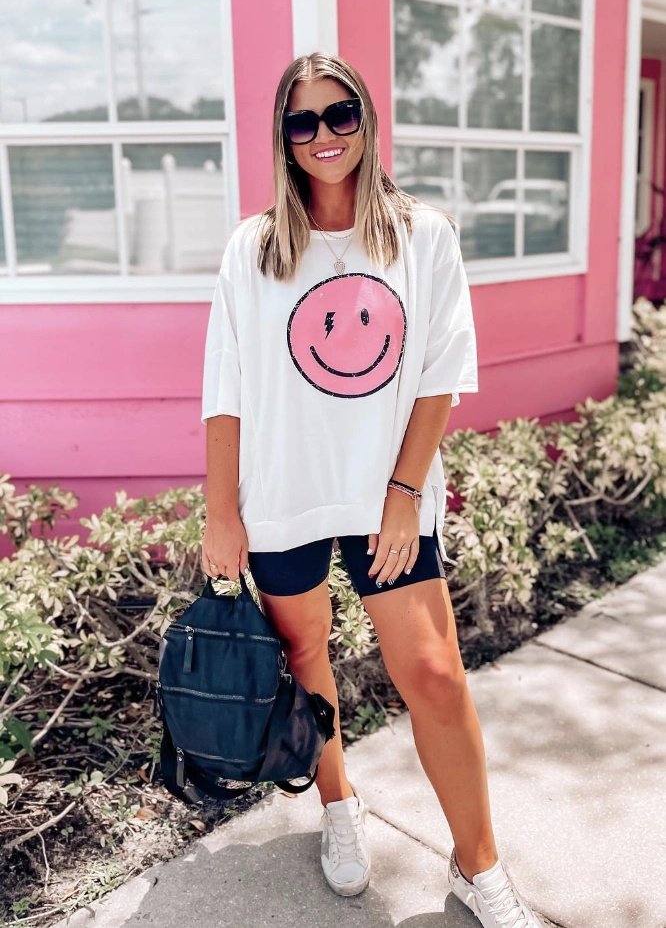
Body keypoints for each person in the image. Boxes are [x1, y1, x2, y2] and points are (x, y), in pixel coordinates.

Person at [200, 51, 544, 928]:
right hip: (283, 499)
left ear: (367, 120)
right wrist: (221, 512)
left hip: (387, 498)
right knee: (309, 663)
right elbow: (226, 386)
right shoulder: (254, 247)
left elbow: (439, 373)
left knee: (433, 675)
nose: (323, 136)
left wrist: (403, 490)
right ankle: (340, 805)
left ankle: (479, 866)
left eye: (339, 114)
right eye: (302, 121)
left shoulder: (420, 233)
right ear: (283, 136)